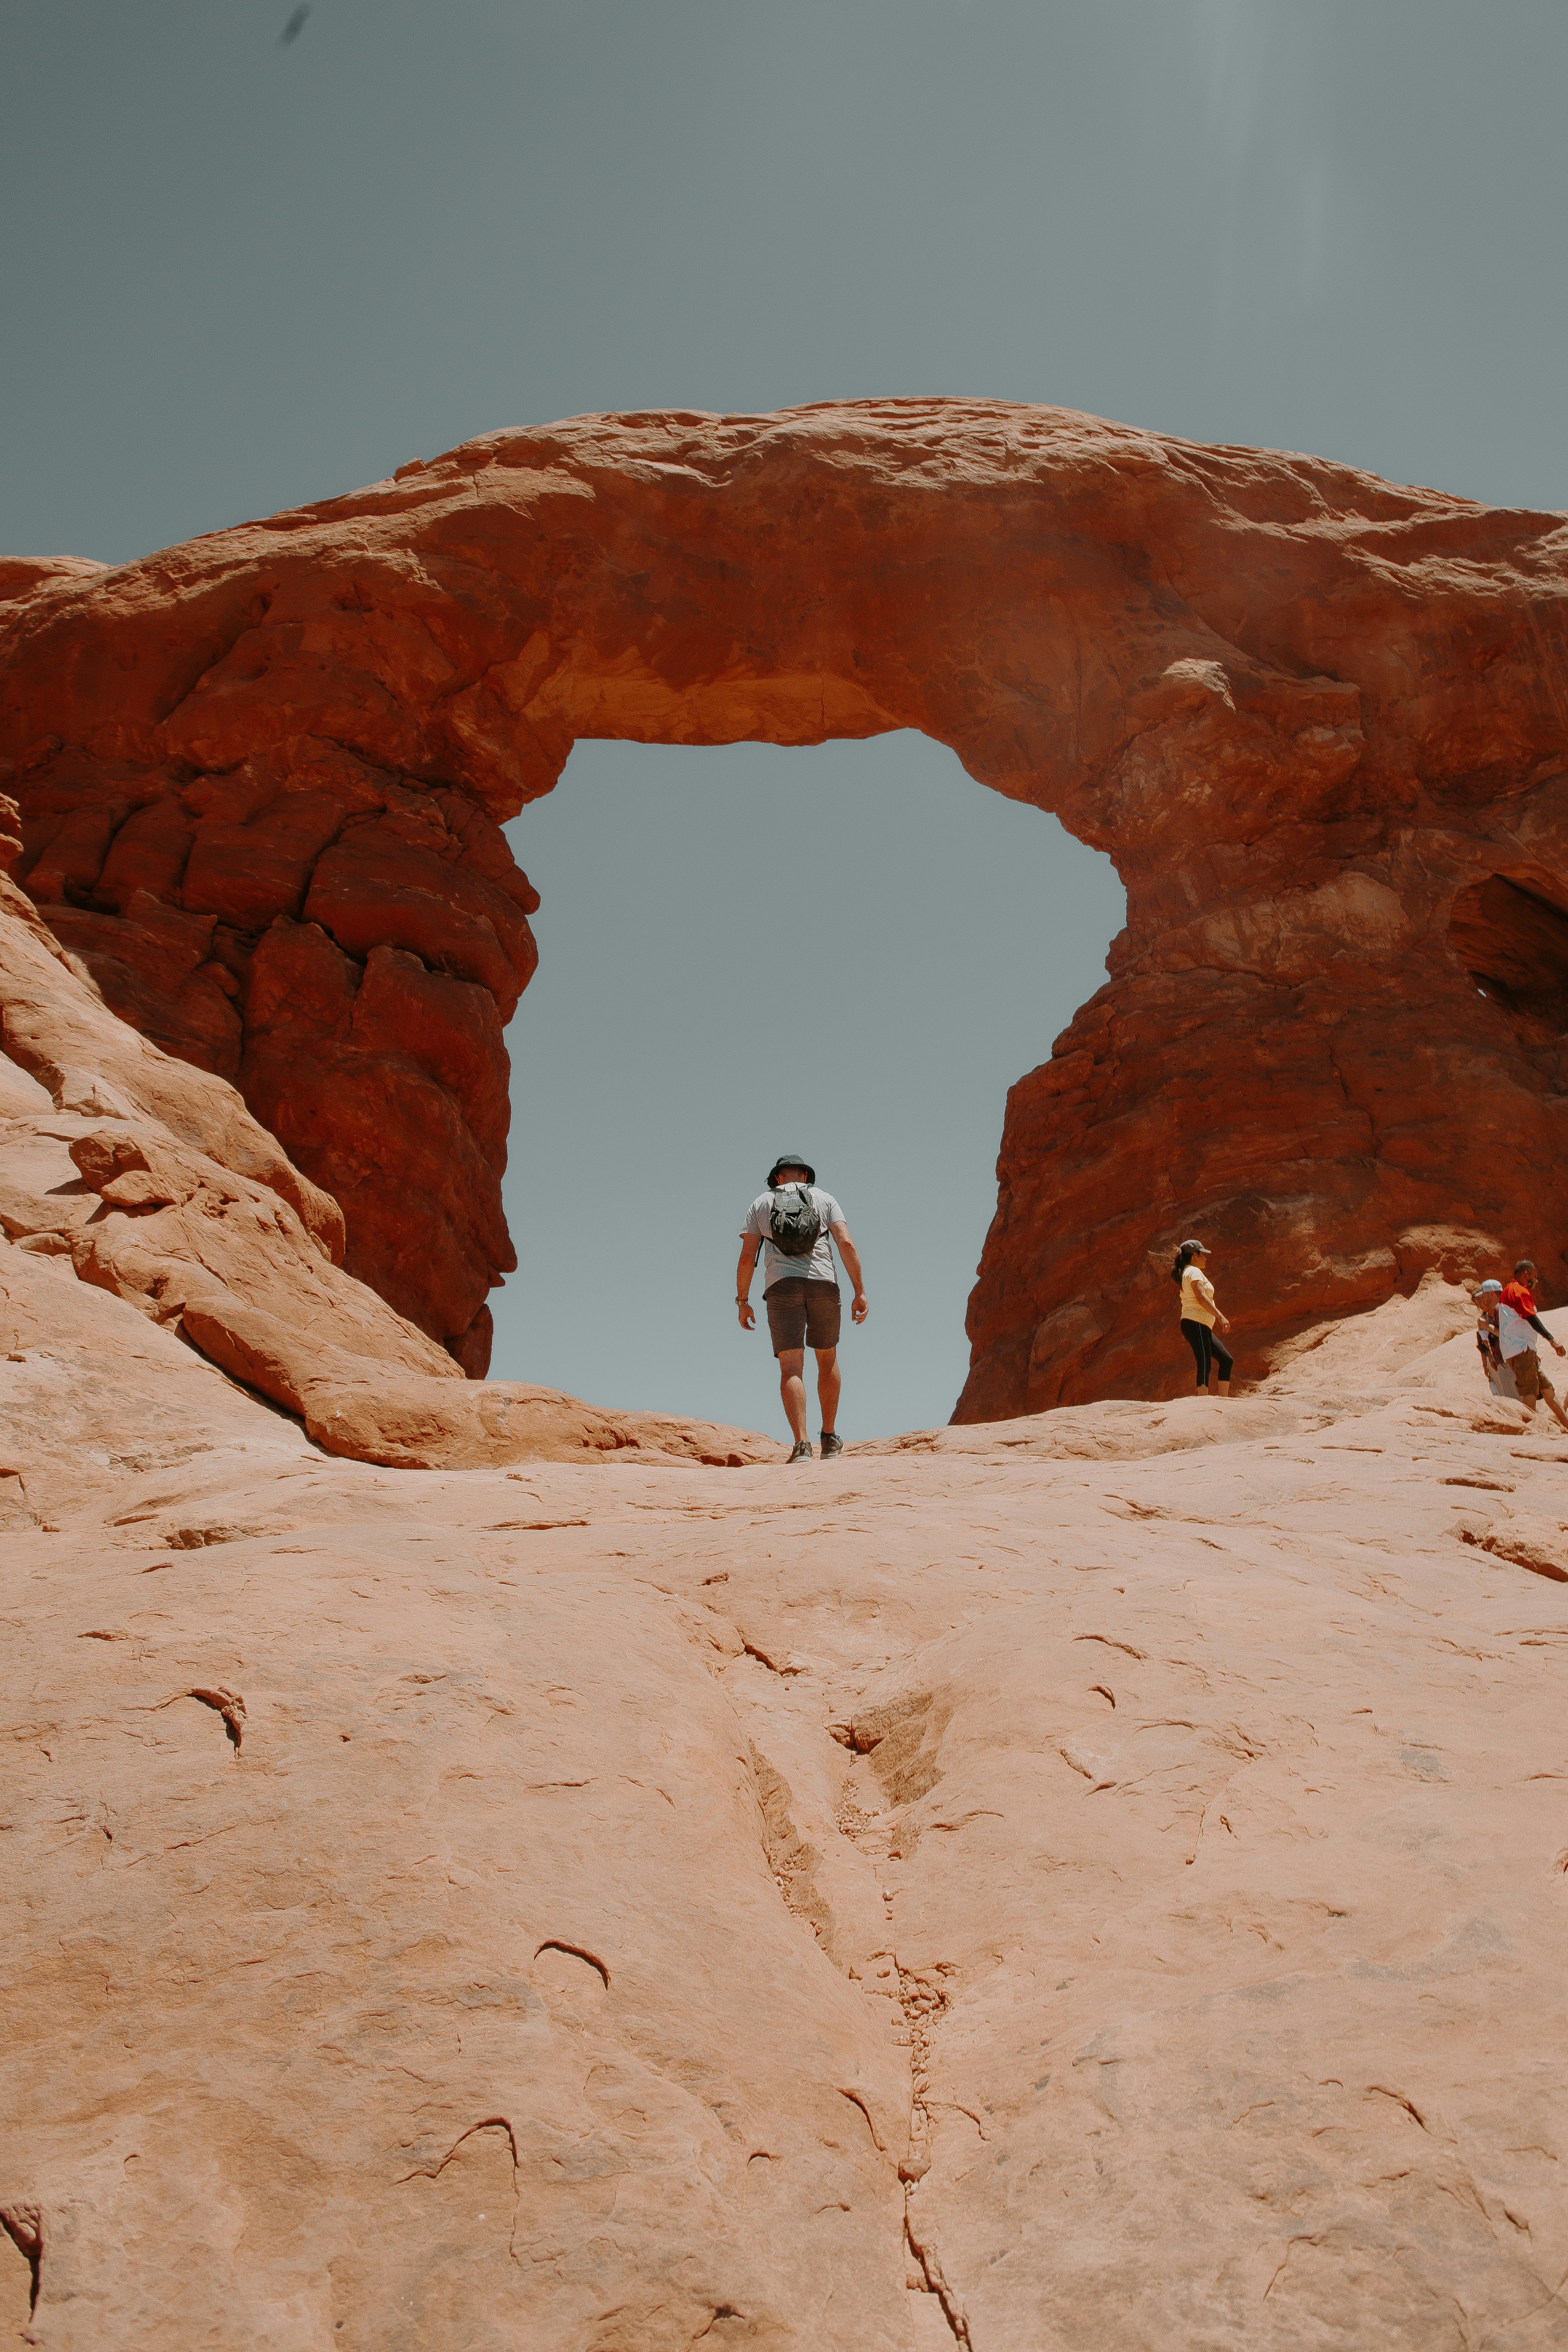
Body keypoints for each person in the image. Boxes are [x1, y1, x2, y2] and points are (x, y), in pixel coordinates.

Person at [737, 1156, 867, 1461]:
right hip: (823, 1283)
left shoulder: (761, 1203)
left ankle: (802, 1445)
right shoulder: (824, 1198)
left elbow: (746, 1258)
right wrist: (859, 1291)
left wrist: (743, 1301)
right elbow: (845, 1243)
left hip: (781, 1287)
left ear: (777, 1178)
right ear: (806, 1175)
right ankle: (830, 1438)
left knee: (791, 1368)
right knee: (827, 1360)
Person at [1497, 1257, 1568, 1431]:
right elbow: (1531, 1318)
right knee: (1529, 1393)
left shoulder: (1509, 1290)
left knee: (1548, 1392)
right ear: (1526, 1274)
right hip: (1522, 1350)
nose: (1535, 1281)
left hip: (1523, 1350)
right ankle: (1526, 1431)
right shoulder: (1519, 1291)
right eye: (1534, 1277)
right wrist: (1552, 1340)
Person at [1172, 1237, 1234, 1395]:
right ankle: (1204, 1402)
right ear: (1194, 1256)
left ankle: (1224, 1400)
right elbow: (1201, 1297)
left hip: (1200, 1324)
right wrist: (1220, 1316)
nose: (1206, 1258)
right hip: (1195, 1322)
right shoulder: (1194, 1271)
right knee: (1205, 1362)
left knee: (1227, 1360)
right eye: (1203, 1255)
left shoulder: (1189, 1271)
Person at [1473, 1279, 1515, 1399]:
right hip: (1499, 1360)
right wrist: (1488, 1361)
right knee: (1507, 1395)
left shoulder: (1501, 1311)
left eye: (1482, 1298)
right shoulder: (1487, 1316)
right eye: (1477, 1302)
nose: (1481, 1303)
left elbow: (1506, 1334)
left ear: (1490, 1295)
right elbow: (1482, 1344)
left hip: (1507, 1358)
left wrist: (1487, 1327)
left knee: (1514, 1397)